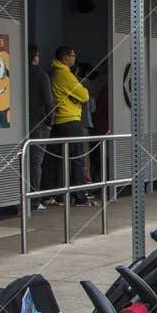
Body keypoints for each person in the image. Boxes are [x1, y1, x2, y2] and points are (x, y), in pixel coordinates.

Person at [50, 46, 96, 206]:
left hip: (59, 121)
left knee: (61, 161)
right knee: (77, 159)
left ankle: (62, 195)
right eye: (73, 55)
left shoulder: (56, 73)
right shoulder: (65, 74)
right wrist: (78, 95)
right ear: (65, 58)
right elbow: (84, 95)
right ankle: (80, 196)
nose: (75, 58)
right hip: (70, 120)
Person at [26, 44, 56, 208]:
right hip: (38, 123)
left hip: (19, 124)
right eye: (37, 54)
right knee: (36, 162)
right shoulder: (40, 74)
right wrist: (50, 122)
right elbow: (49, 102)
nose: (39, 56)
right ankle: (34, 200)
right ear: (33, 56)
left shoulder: (16, 72)